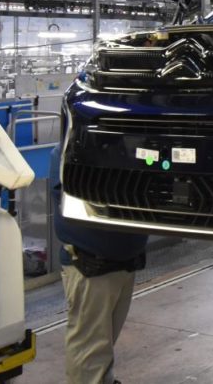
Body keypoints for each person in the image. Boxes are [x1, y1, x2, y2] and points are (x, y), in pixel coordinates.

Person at [50, 147, 148, 384]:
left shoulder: (128, 148)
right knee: (89, 351)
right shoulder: (71, 150)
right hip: (91, 265)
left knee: (103, 346)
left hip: (124, 262)